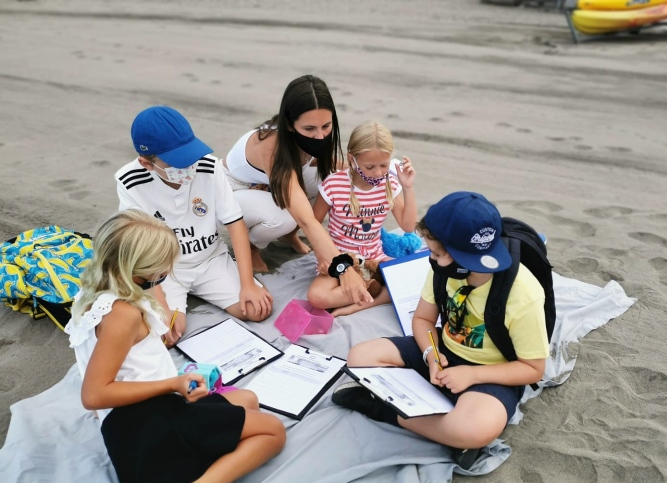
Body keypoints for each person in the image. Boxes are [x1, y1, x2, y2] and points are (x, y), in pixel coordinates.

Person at [332, 192, 549, 469]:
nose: (430, 258)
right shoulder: (444, 268)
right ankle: (444, 431)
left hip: (493, 372)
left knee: (474, 428)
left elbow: (533, 368)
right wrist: (431, 355)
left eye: (435, 252)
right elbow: (423, 319)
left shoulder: (524, 294)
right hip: (443, 352)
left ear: (461, 257)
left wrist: (472, 374)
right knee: (360, 357)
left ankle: (380, 409)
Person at [64, 210, 286, 483]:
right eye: (164, 265)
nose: (168, 271)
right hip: (148, 418)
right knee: (273, 431)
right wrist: (173, 384)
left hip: (143, 411)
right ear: (138, 269)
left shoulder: (94, 292)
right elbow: (94, 395)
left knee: (247, 399)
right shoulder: (124, 315)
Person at [115, 106, 273, 346]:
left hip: (210, 259)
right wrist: (163, 305)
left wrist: (248, 283)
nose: (189, 166)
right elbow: (139, 250)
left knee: (256, 309)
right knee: (167, 334)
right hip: (165, 270)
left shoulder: (208, 167)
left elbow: (234, 222)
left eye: (190, 155)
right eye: (177, 163)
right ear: (147, 163)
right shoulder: (130, 182)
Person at [221, 75, 374, 308]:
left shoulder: (313, 137)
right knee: (285, 216)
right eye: (310, 128)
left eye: (326, 126)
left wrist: (370, 170)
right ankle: (252, 246)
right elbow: (306, 219)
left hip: (267, 184)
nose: (320, 136)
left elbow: (327, 164)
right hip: (232, 189)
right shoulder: (273, 146)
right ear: (290, 124)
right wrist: (342, 268)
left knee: (326, 178)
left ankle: (287, 235)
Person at [307, 121, 416, 316]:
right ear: (352, 159)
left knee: (411, 278)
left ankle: (361, 301)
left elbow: (408, 226)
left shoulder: (390, 183)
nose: (378, 172)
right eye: (369, 166)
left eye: (384, 165)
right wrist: (322, 257)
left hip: (375, 257)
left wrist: (408, 187)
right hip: (340, 259)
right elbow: (312, 225)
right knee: (317, 297)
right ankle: (376, 291)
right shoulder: (334, 185)